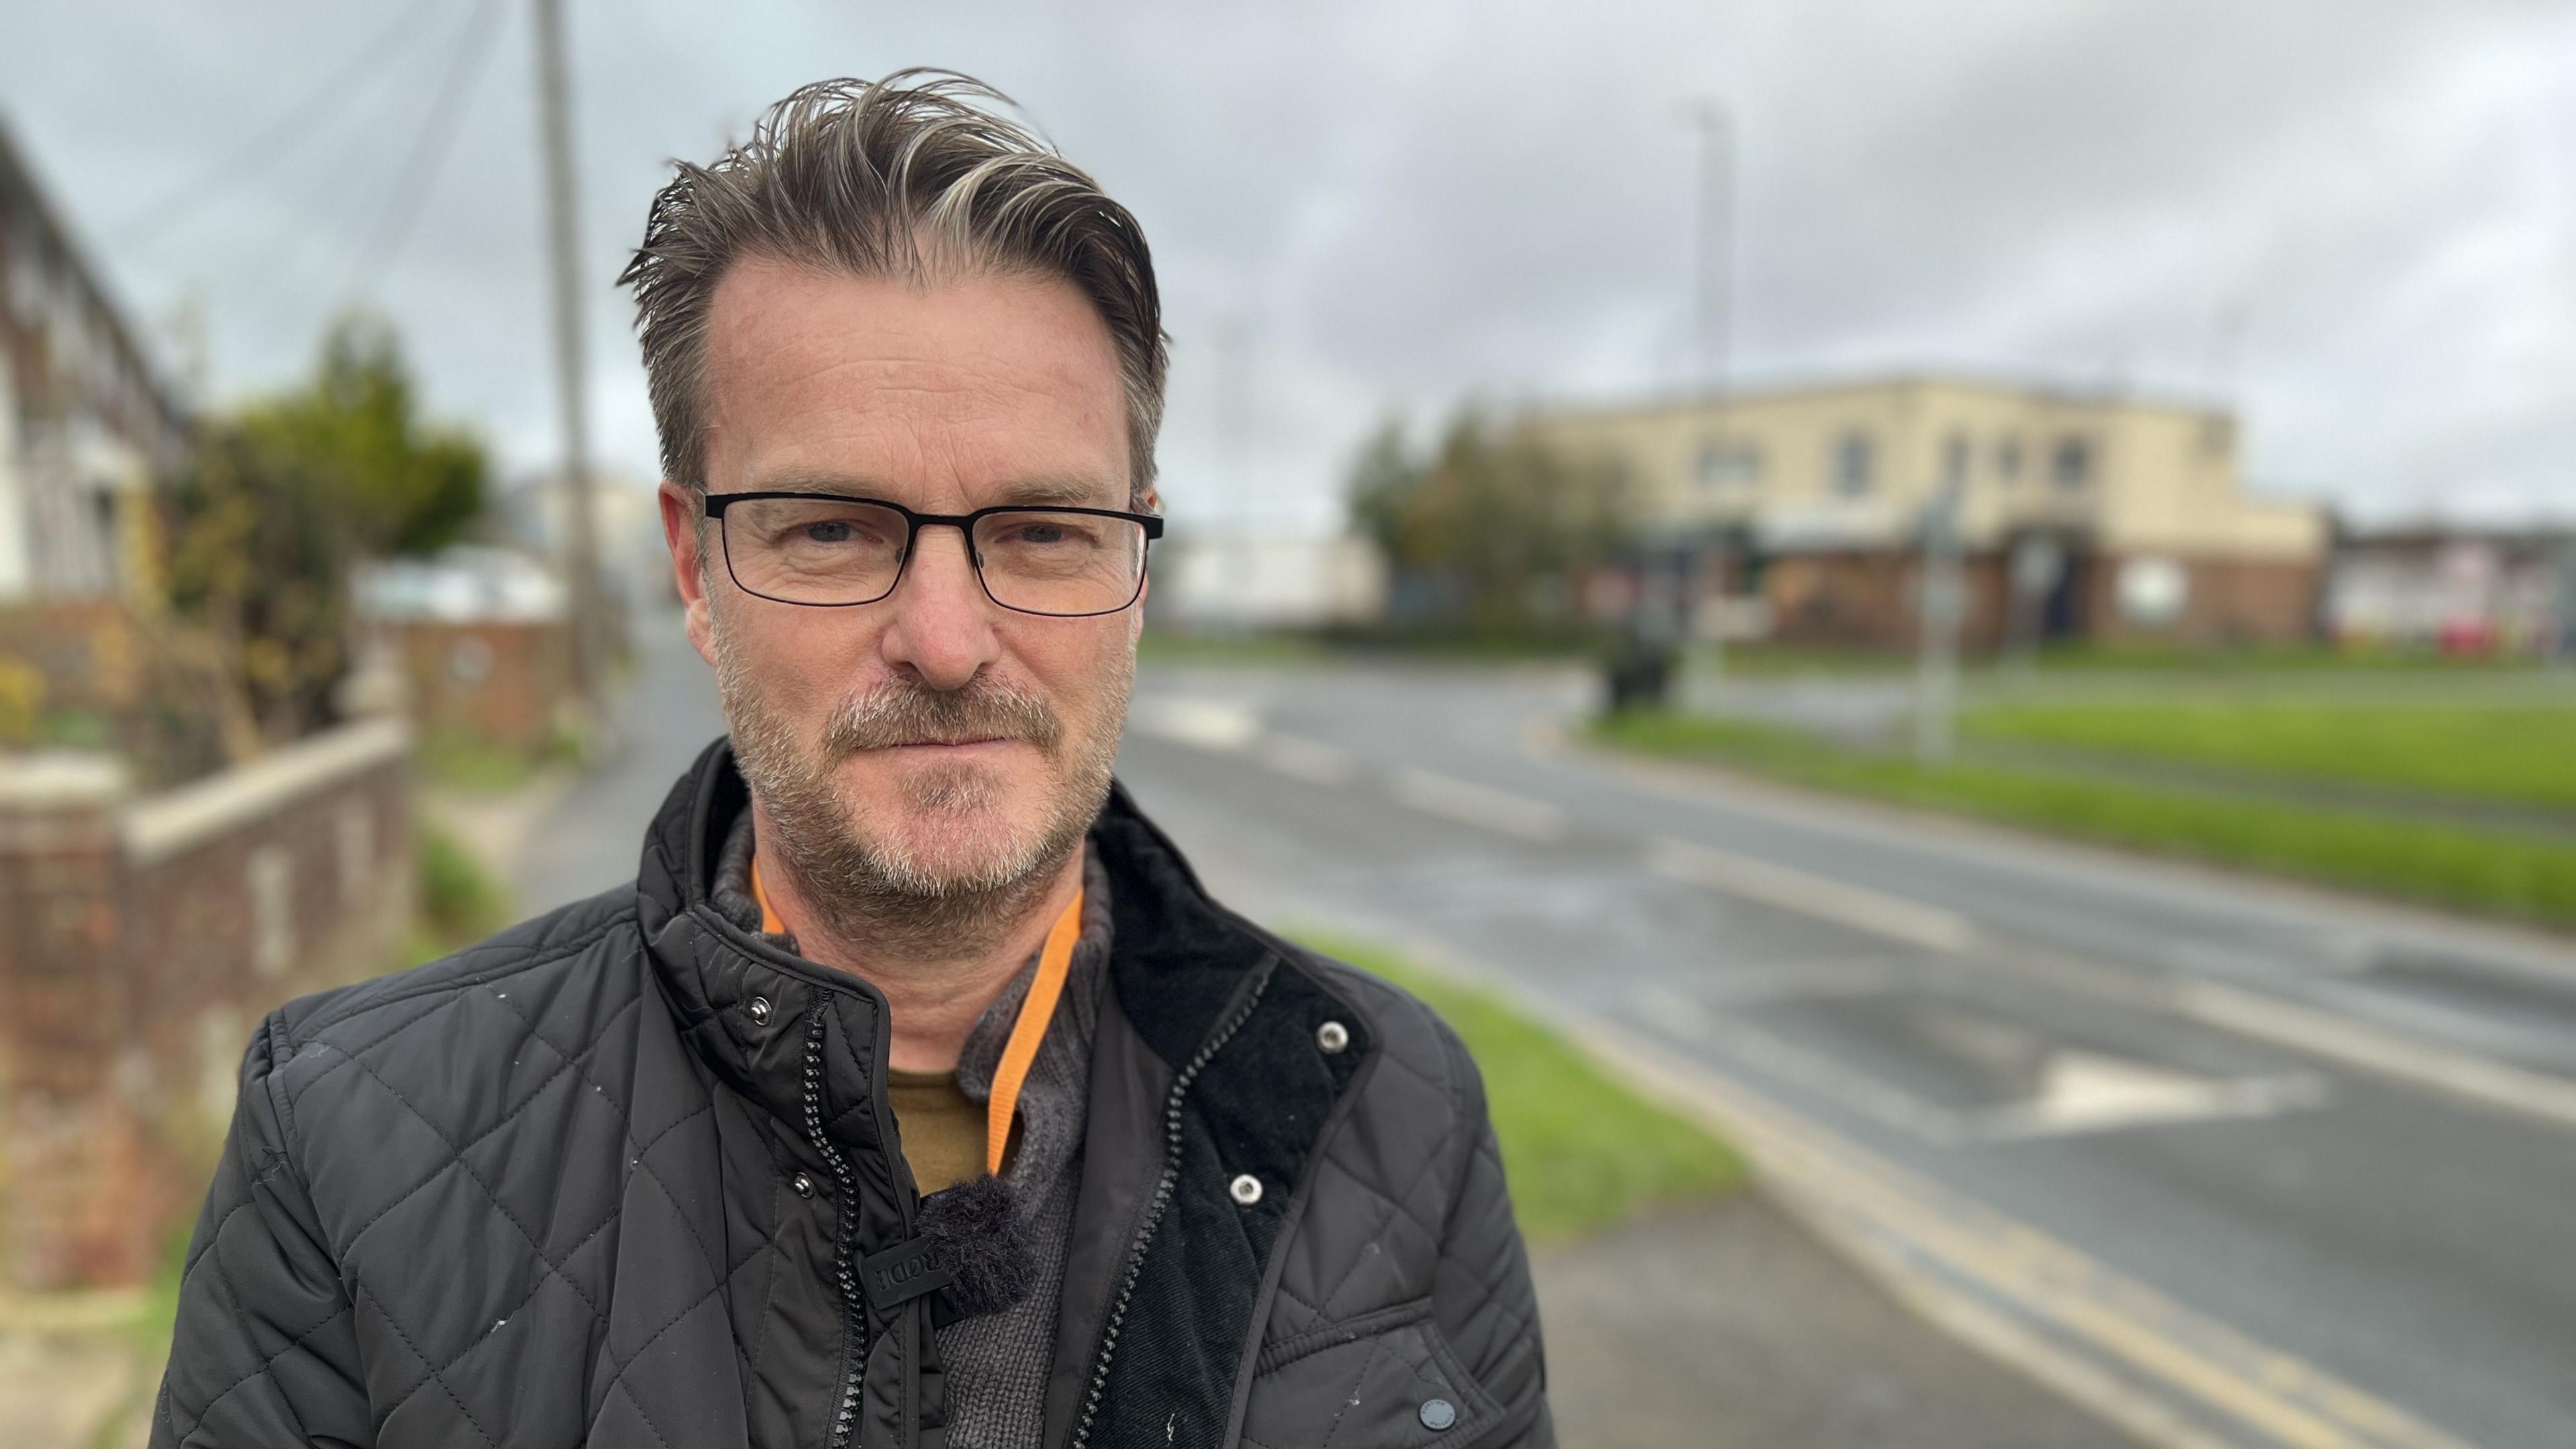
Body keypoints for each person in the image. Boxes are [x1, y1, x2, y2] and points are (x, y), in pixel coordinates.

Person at [151, 70, 1549, 1449]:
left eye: (1043, 531)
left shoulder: (1390, 1111)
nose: (947, 641)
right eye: (831, 529)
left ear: (1136, 560)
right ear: (694, 565)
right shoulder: (351, 1148)